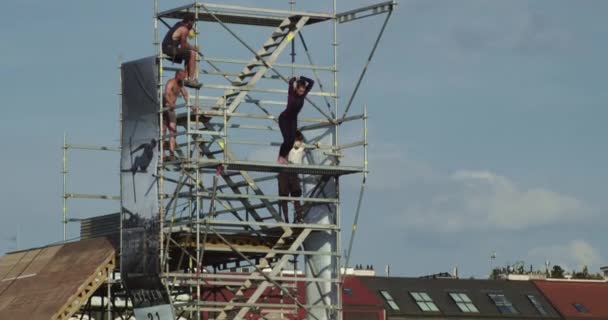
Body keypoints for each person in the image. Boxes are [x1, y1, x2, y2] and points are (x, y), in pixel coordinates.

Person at [278, 76, 314, 164]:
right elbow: (290, 81)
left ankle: (284, 157)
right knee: (286, 140)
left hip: (293, 120)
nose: (302, 92)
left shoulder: (303, 95)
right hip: (284, 119)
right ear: (296, 89)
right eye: (300, 90)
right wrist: (295, 79)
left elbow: (312, 82)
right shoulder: (291, 93)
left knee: (291, 142)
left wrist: (301, 77)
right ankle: (280, 157)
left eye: (303, 91)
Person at [162, 14, 201, 89]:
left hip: (166, 48)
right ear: (189, 21)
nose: (193, 26)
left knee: (187, 55)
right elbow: (184, 45)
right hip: (170, 48)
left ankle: (186, 78)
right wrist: (194, 49)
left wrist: (190, 31)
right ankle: (191, 79)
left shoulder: (179, 24)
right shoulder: (184, 29)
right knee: (193, 54)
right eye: (193, 23)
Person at [278, 131, 306, 223]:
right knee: (285, 197)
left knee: (295, 196)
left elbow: (308, 147)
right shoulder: (287, 145)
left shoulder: (301, 146)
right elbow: (281, 158)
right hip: (285, 172)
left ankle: (299, 217)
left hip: (293, 172)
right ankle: (287, 219)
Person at [162, 70, 189, 161]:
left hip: (171, 110)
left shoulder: (180, 84)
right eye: (182, 76)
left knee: (173, 130)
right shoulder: (171, 82)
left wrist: (192, 107)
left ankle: (171, 152)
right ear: (177, 75)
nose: (184, 78)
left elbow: (185, 94)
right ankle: (163, 153)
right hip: (165, 107)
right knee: (164, 130)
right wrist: (170, 103)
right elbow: (165, 94)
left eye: (184, 77)